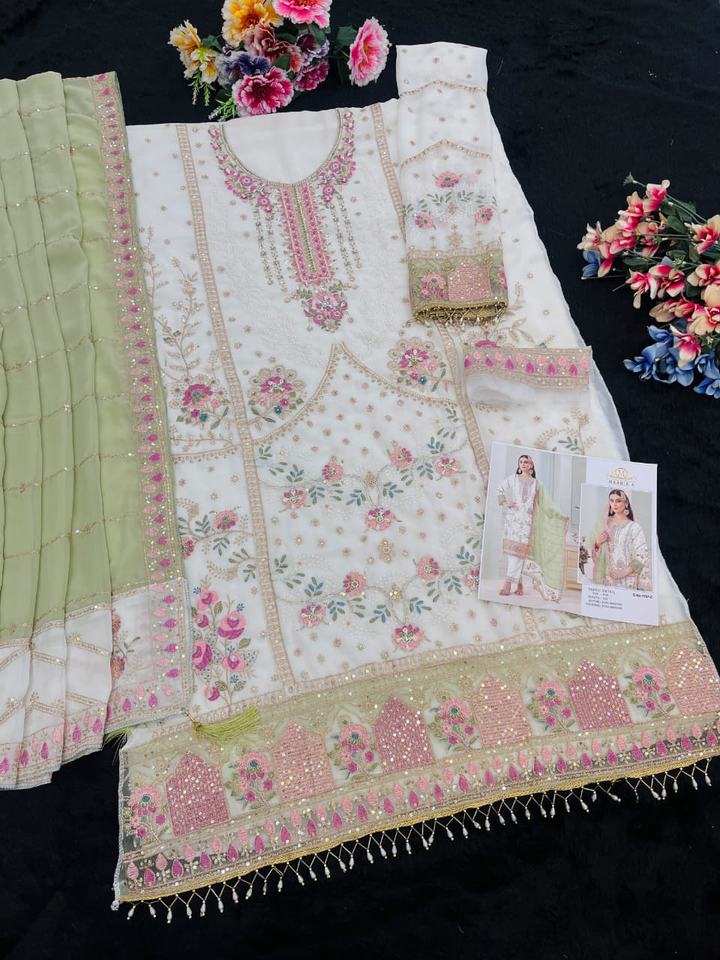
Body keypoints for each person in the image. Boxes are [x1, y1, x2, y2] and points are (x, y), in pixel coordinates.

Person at [496, 453, 569, 601]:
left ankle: (509, 583)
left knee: (520, 554)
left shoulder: (537, 484)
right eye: (521, 462)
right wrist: (505, 503)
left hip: (528, 524)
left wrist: (560, 517)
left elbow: (547, 505)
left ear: (531, 465)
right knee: (513, 553)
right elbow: (499, 489)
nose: (523, 464)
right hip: (513, 521)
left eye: (526, 462)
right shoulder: (513, 479)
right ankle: (516, 583)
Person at [590, 489, 652, 591]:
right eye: (611, 500)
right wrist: (597, 543)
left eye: (618, 501)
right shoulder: (604, 524)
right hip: (607, 580)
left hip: (627, 580)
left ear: (626, 503)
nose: (614, 504)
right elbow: (594, 552)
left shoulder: (634, 527)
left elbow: (642, 556)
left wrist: (622, 573)